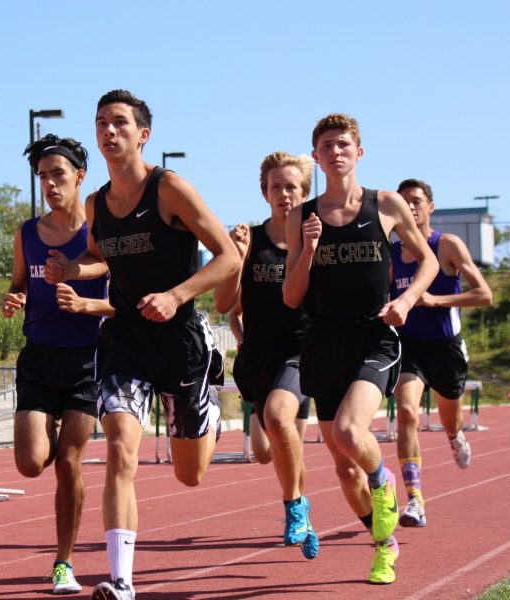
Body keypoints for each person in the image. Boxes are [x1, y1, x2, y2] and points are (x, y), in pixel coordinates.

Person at [45, 89, 240, 600]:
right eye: (101, 123)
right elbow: (99, 255)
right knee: (119, 451)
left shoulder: (170, 189)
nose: (109, 132)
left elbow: (226, 258)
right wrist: (74, 269)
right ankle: (122, 579)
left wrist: (178, 295)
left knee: (190, 475)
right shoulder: (95, 204)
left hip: (179, 342)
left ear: (142, 134)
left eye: (120, 123)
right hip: (125, 341)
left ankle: (208, 413)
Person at [283, 114, 439, 585]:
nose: (335, 151)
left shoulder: (386, 204)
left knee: (353, 434)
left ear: (359, 152)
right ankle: (383, 544)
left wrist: (407, 300)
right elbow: (291, 296)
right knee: (343, 466)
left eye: (343, 144)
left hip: (375, 336)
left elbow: (428, 259)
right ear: (315, 156)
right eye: (326, 145)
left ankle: (386, 481)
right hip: (322, 342)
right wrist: (308, 251)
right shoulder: (301, 216)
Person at [2, 134, 111, 595]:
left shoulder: (99, 233)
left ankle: (64, 563)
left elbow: (121, 303)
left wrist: (87, 306)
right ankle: (45, 437)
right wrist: (15, 297)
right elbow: (19, 284)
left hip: (87, 360)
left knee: (69, 463)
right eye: (42, 175)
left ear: (79, 177)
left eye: (57, 174)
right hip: (39, 359)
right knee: (31, 464)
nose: (49, 183)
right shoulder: (27, 234)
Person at [213, 151, 317, 559]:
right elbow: (225, 304)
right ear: (265, 193)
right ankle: (303, 510)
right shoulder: (249, 240)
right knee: (264, 451)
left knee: (280, 419)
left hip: (300, 354)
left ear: (304, 192)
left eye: (291, 187)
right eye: (276, 187)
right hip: (257, 359)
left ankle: (294, 508)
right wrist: (236, 259)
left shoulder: (314, 235)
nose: (284, 194)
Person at [390, 178, 493, 528]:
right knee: (406, 412)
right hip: (408, 348)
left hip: (446, 347)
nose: (412, 206)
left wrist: (437, 300)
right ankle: (415, 499)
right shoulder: (390, 255)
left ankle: (455, 436)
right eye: (405, 202)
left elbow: (484, 294)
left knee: (450, 416)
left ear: (430, 207)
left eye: (417, 200)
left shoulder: (446, 245)